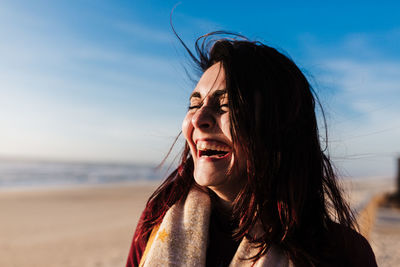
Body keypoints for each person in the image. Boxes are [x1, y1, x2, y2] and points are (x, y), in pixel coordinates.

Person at [126, 32, 377, 267]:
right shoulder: (157, 221)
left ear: (280, 128)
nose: (198, 118)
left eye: (226, 104)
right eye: (195, 104)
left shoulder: (344, 254)